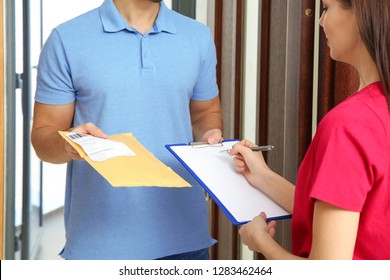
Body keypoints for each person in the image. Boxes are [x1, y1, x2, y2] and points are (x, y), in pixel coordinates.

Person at [31, 0, 223, 260]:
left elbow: (204, 112)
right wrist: (70, 142)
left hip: (185, 237)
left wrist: (209, 137)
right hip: (99, 244)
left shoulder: (197, 36)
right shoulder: (66, 39)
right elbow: (44, 137)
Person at [229, 0, 390, 260]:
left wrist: (260, 241)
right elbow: (344, 210)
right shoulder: (375, 112)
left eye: (326, 8)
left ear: (362, 14)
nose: (320, 21)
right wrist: (263, 176)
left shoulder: (348, 124)